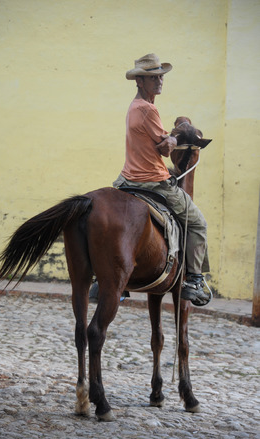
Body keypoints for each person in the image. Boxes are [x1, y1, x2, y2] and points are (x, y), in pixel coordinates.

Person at [112, 53, 211, 306]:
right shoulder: (148, 108)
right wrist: (178, 137)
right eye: (152, 77)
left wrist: (170, 137)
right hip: (152, 180)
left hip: (127, 179)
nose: (159, 81)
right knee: (198, 223)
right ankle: (194, 281)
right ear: (140, 82)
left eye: (160, 76)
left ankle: (102, 279)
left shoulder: (133, 107)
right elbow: (165, 149)